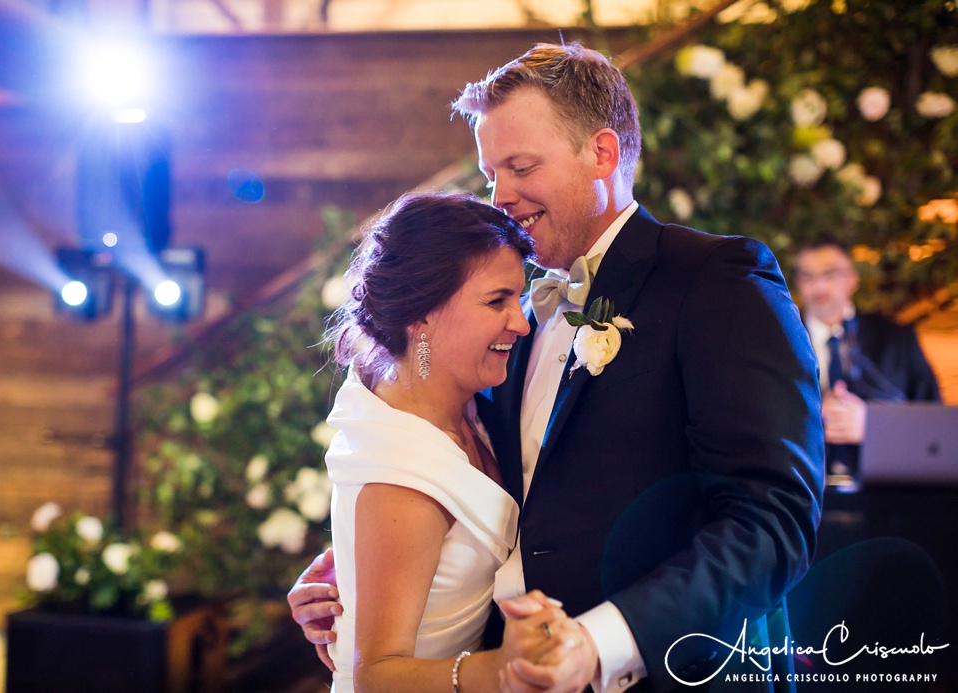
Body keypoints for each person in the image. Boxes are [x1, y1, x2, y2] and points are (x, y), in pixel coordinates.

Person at [292, 43, 824, 692]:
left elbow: (771, 523)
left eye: (520, 167)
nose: (501, 196)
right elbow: (459, 480)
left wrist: (600, 641)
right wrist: (352, 568)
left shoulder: (715, 280)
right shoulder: (514, 311)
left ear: (601, 153)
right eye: (492, 174)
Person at [319, 191, 589, 693]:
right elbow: (375, 675)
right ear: (420, 315)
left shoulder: (466, 405)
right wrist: (501, 666)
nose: (522, 321)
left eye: (518, 295)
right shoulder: (401, 469)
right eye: (497, 300)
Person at [793, 238, 941, 477]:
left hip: (885, 488)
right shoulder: (779, 340)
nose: (818, 286)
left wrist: (874, 426)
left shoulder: (896, 338)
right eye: (807, 276)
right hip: (805, 492)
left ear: (852, 279)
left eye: (829, 274)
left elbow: (934, 424)